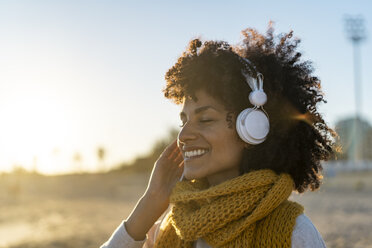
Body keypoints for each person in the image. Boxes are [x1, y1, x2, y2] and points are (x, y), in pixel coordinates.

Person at [100, 25, 335, 248]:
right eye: (184, 121)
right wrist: (150, 203)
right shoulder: (169, 227)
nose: (184, 135)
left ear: (252, 129)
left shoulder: (293, 233)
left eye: (205, 120)